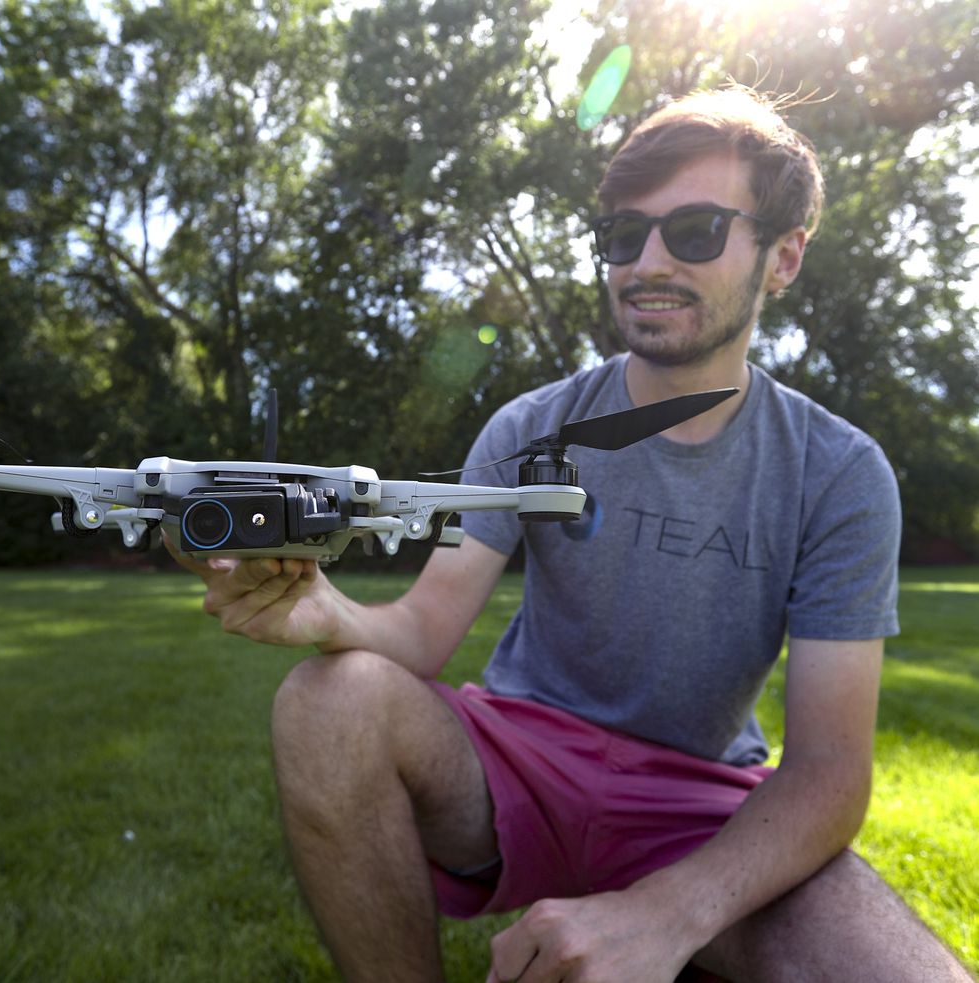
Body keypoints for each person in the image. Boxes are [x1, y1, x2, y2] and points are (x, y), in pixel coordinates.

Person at [168, 85, 974, 983]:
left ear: (783, 256)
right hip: (516, 761)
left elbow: (827, 770)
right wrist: (328, 613)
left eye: (696, 230)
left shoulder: (839, 471)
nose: (647, 263)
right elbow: (424, 630)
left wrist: (666, 915)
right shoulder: (530, 427)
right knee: (327, 699)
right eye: (623, 236)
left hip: (700, 805)